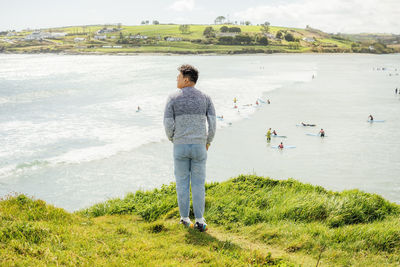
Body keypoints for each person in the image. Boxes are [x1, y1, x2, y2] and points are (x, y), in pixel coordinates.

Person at [164, 64, 216, 232]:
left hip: (180, 146)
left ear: (186, 80)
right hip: (200, 146)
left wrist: (174, 138)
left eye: (178, 77)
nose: (177, 80)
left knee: (182, 183)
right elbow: (213, 123)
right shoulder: (206, 97)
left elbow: (167, 123)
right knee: (199, 184)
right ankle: (200, 220)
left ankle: (185, 219)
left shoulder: (172, 98)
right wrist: (208, 141)